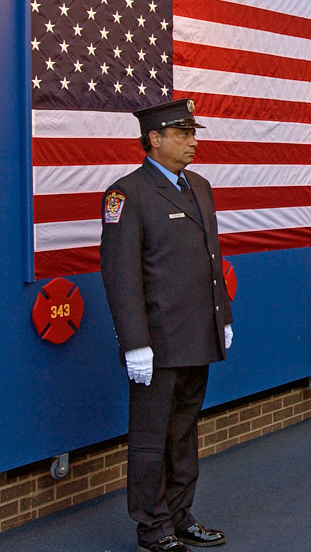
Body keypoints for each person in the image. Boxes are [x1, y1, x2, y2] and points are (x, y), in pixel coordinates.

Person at [99, 98, 232, 552]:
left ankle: (180, 515)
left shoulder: (199, 186)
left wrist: (223, 317)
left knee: (184, 432)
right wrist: (135, 342)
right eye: (182, 134)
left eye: (193, 133)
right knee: (152, 437)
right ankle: (152, 526)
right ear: (154, 139)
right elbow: (121, 274)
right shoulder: (127, 193)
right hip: (157, 342)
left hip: (198, 333)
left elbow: (212, 262)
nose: (192, 142)